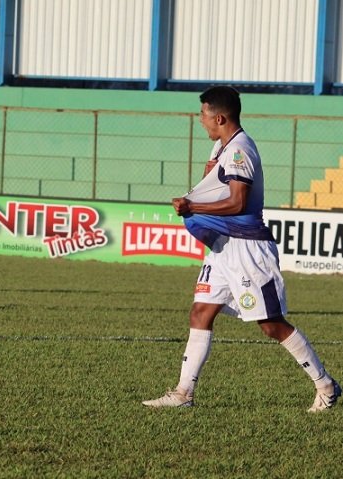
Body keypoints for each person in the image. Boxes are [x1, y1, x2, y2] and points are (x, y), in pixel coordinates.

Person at [142, 86, 340, 412]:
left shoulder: (240, 150)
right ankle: (183, 394)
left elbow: (238, 202)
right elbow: (212, 187)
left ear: (219, 118)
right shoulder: (221, 147)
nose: (200, 121)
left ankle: (326, 385)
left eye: (203, 115)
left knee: (271, 325)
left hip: (248, 248)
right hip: (224, 246)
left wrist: (193, 207)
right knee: (201, 311)